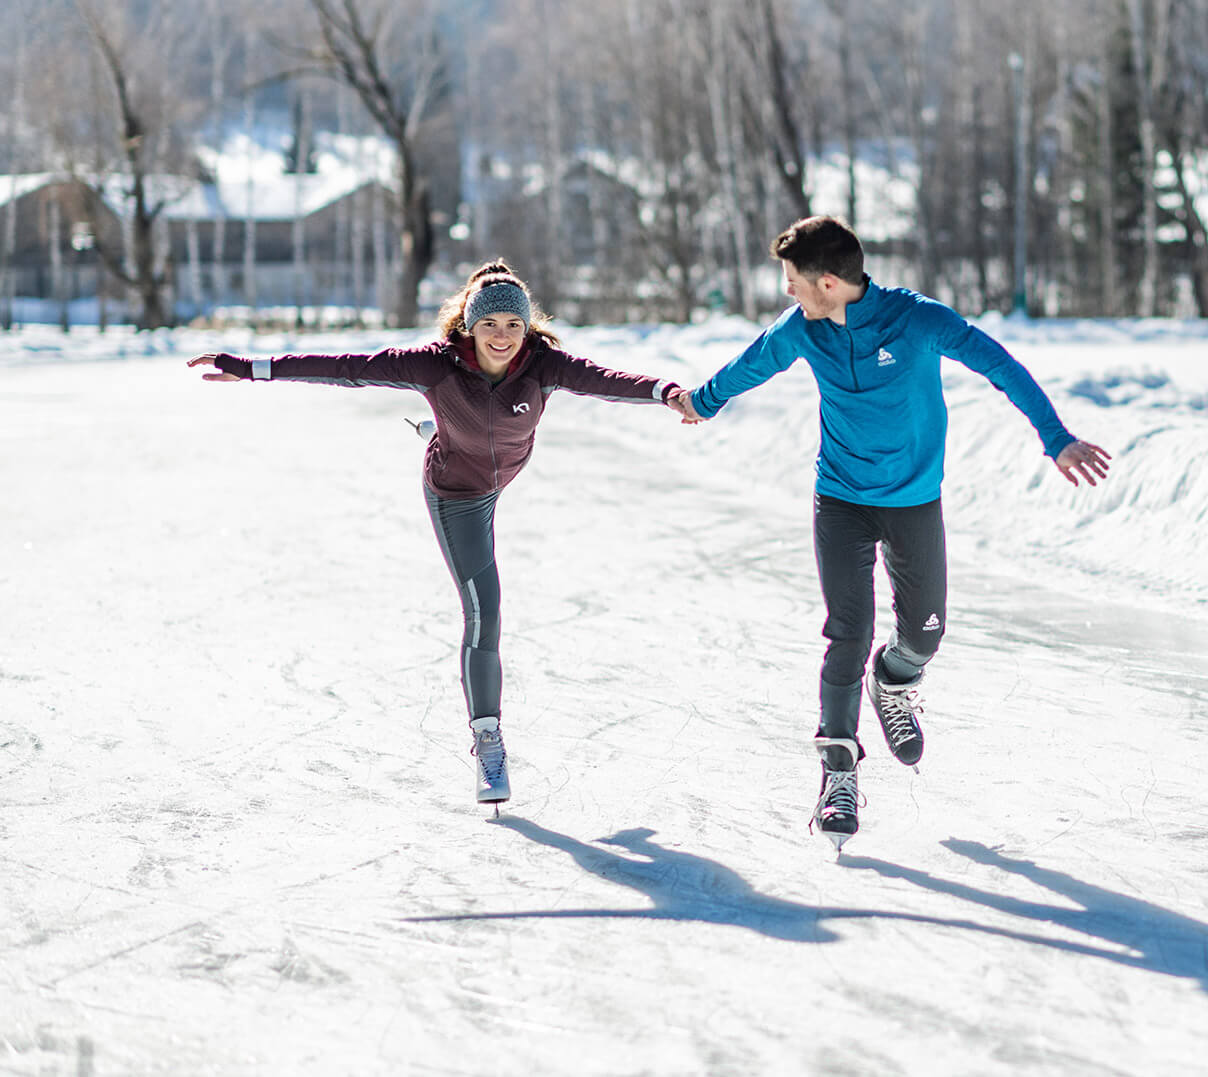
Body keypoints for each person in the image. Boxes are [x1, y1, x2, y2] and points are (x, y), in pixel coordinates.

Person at [667, 215, 1112, 849]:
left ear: (827, 282)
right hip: (840, 499)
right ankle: (838, 774)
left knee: (925, 631)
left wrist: (1057, 439)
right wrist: (700, 402)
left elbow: (1002, 366)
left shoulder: (919, 319)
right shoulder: (803, 330)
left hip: (912, 501)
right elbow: (748, 366)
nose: (787, 292)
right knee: (847, 633)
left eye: (793, 280)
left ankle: (896, 681)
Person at [188, 261, 683, 809]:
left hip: (503, 468)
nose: (502, 337)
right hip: (457, 493)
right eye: (490, 324)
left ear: (528, 329)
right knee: (484, 609)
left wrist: (665, 391)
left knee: (466, 439)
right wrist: (254, 368)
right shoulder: (435, 367)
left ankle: (437, 430)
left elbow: (607, 380)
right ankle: (488, 738)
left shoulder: (544, 365)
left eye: (513, 326)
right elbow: (346, 366)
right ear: (469, 326)